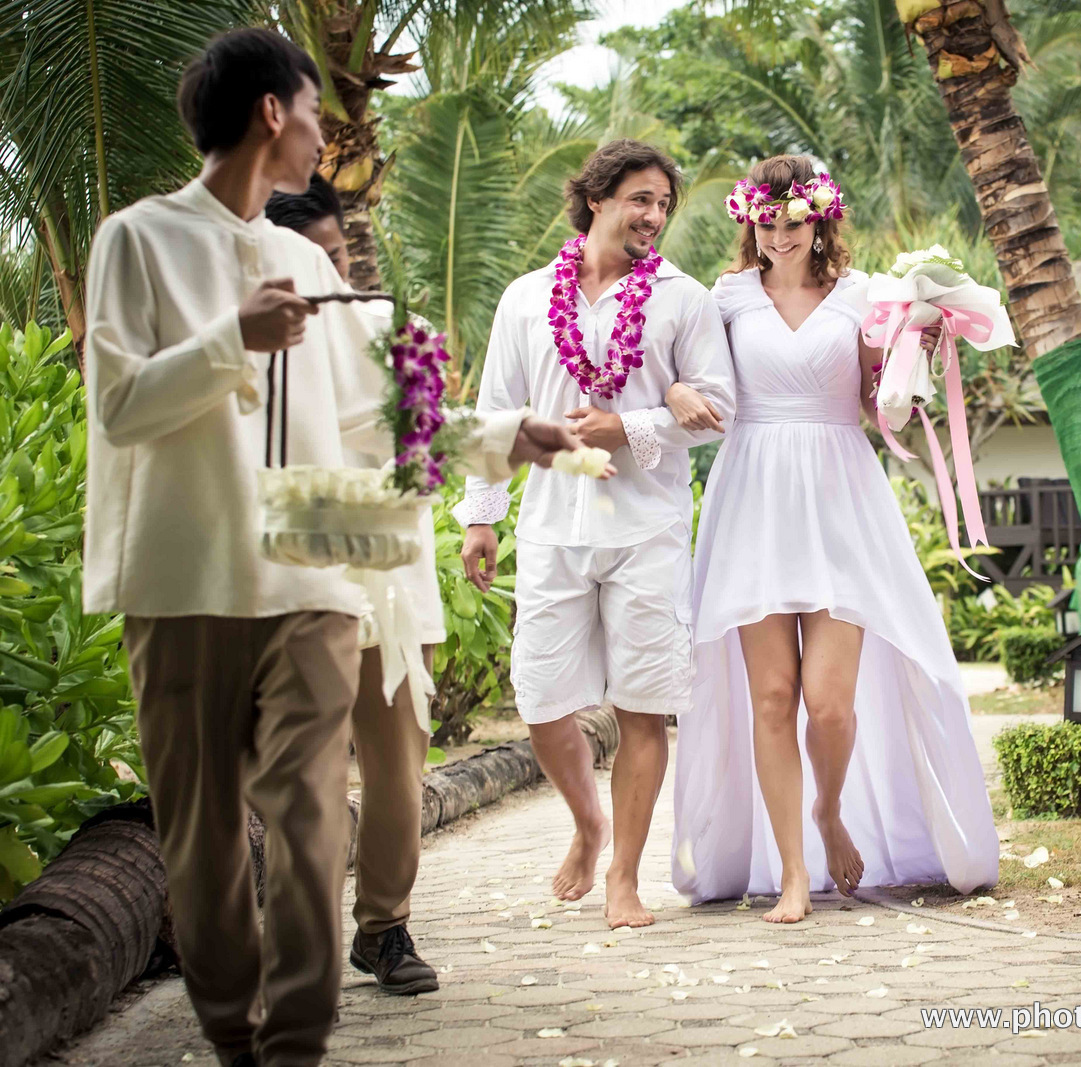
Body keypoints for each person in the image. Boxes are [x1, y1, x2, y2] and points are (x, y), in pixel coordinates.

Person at [84, 28, 579, 1067]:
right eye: (314, 113)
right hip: (184, 582)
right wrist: (230, 340)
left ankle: (302, 1029)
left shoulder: (305, 261)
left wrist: (503, 433)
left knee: (310, 815)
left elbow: (380, 419)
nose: (324, 136)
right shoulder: (136, 240)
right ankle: (236, 1030)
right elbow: (121, 407)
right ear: (273, 112)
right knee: (204, 832)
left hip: (308, 580)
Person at [666, 155, 999, 923]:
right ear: (749, 220)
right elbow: (681, 372)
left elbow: (885, 399)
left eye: (794, 222)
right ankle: (791, 870)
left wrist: (916, 350)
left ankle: (830, 807)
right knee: (772, 696)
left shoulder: (862, 296)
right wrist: (678, 389)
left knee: (830, 704)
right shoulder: (725, 299)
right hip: (752, 497)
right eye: (767, 222)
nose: (779, 236)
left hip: (840, 495)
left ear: (820, 220)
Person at [456, 139, 736, 930]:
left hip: (648, 527)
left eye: (663, 204)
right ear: (597, 198)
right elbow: (495, 410)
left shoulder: (683, 299)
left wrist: (630, 425)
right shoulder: (525, 298)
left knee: (643, 705)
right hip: (552, 525)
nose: (654, 216)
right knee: (540, 697)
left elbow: (721, 406)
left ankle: (625, 877)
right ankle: (588, 823)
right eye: (641, 199)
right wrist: (481, 515)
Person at [264, 175, 435, 996]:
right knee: (304, 769)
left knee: (397, 766)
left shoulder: (397, 331)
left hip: (390, 576)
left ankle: (385, 927)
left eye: (336, 256)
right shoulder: (252, 345)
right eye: (310, 262)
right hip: (296, 577)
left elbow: (425, 452)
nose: (331, 276)